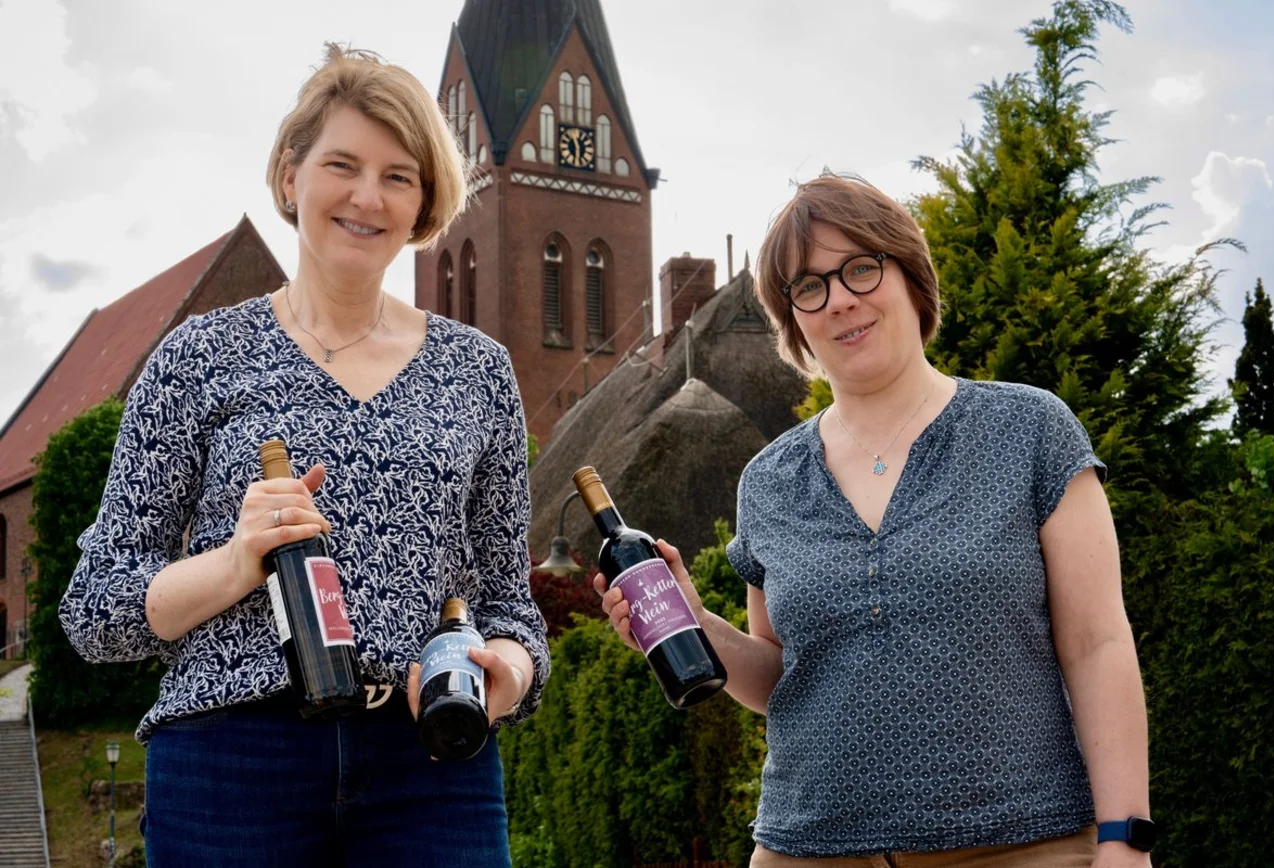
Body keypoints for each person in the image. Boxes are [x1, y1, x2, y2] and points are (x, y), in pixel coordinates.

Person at [59, 44, 548, 866]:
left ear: (424, 201)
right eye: (342, 165)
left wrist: (505, 672)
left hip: (431, 767)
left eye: (399, 175)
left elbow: (511, 607)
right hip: (230, 759)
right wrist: (235, 562)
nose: (367, 196)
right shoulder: (198, 356)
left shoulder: (479, 371)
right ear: (291, 176)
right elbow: (94, 611)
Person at [596, 174, 1153, 867]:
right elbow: (780, 681)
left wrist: (1125, 840)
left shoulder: (1030, 429)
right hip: (807, 851)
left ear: (910, 274)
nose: (840, 300)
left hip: (1019, 846)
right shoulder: (769, 481)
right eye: (810, 286)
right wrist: (693, 621)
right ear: (792, 318)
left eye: (861, 267)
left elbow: (1098, 645)